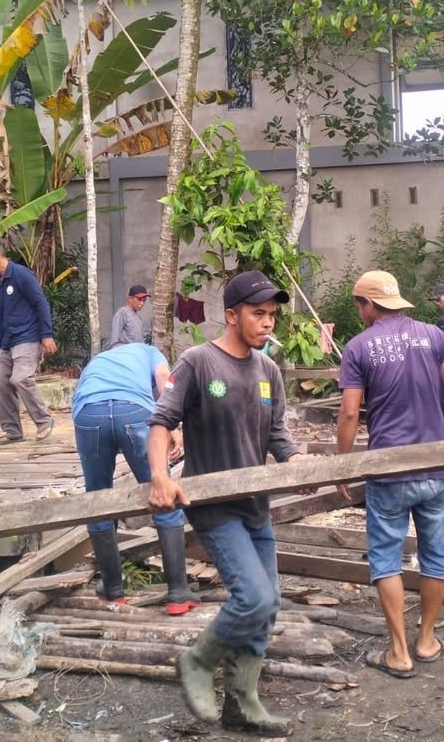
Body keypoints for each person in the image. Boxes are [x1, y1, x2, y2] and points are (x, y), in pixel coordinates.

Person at [148, 271, 308, 736]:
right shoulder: (198, 362)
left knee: (270, 602)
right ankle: (198, 661)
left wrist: (299, 462)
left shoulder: (269, 371)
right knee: (253, 595)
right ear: (232, 315)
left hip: (256, 504)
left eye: (273, 314)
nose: (268, 323)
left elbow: (278, 434)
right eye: (258, 314)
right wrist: (160, 476)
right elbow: (161, 421)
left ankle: (244, 702)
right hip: (214, 503)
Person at [336, 270, 444, 679]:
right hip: (436, 467)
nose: (360, 312)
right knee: (436, 555)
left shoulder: (359, 347)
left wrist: (342, 467)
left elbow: (348, 413)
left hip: (388, 471)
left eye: (360, 305)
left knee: (386, 558)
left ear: (368, 305)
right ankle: (426, 640)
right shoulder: (434, 336)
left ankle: (399, 652)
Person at [73, 342, 198, 614]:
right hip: (134, 410)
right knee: (162, 488)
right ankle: (178, 592)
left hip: (89, 413)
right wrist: (174, 427)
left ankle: (113, 591)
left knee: (98, 499)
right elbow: (165, 381)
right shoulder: (150, 351)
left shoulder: (98, 362)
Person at [0, 237, 57, 444]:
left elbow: (41, 303)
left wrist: (46, 334)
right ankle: (12, 432)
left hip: (28, 336)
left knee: (20, 378)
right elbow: (1, 316)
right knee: (1, 384)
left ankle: (44, 420)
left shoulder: (21, 275)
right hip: (8, 340)